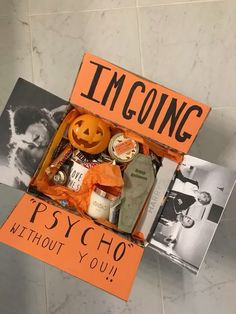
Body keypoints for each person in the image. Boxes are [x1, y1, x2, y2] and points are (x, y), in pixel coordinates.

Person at [6, 105, 67, 189]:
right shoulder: (23, 157)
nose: (37, 145)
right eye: (31, 144)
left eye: (36, 138)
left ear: (43, 122)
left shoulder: (63, 115)